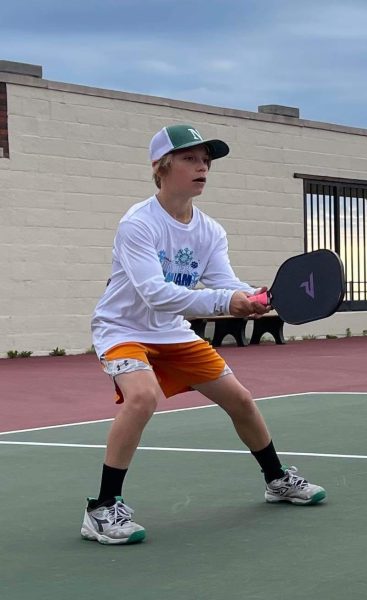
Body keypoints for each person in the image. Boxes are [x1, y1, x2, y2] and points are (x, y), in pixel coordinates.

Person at [81, 124, 326, 546]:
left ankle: (277, 480)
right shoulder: (137, 225)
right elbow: (155, 294)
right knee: (142, 397)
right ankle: (102, 509)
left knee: (241, 400)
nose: (202, 168)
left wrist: (251, 297)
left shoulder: (210, 230)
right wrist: (225, 303)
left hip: (173, 333)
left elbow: (223, 281)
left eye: (206, 162)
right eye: (191, 159)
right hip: (122, 328)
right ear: (162, 167)